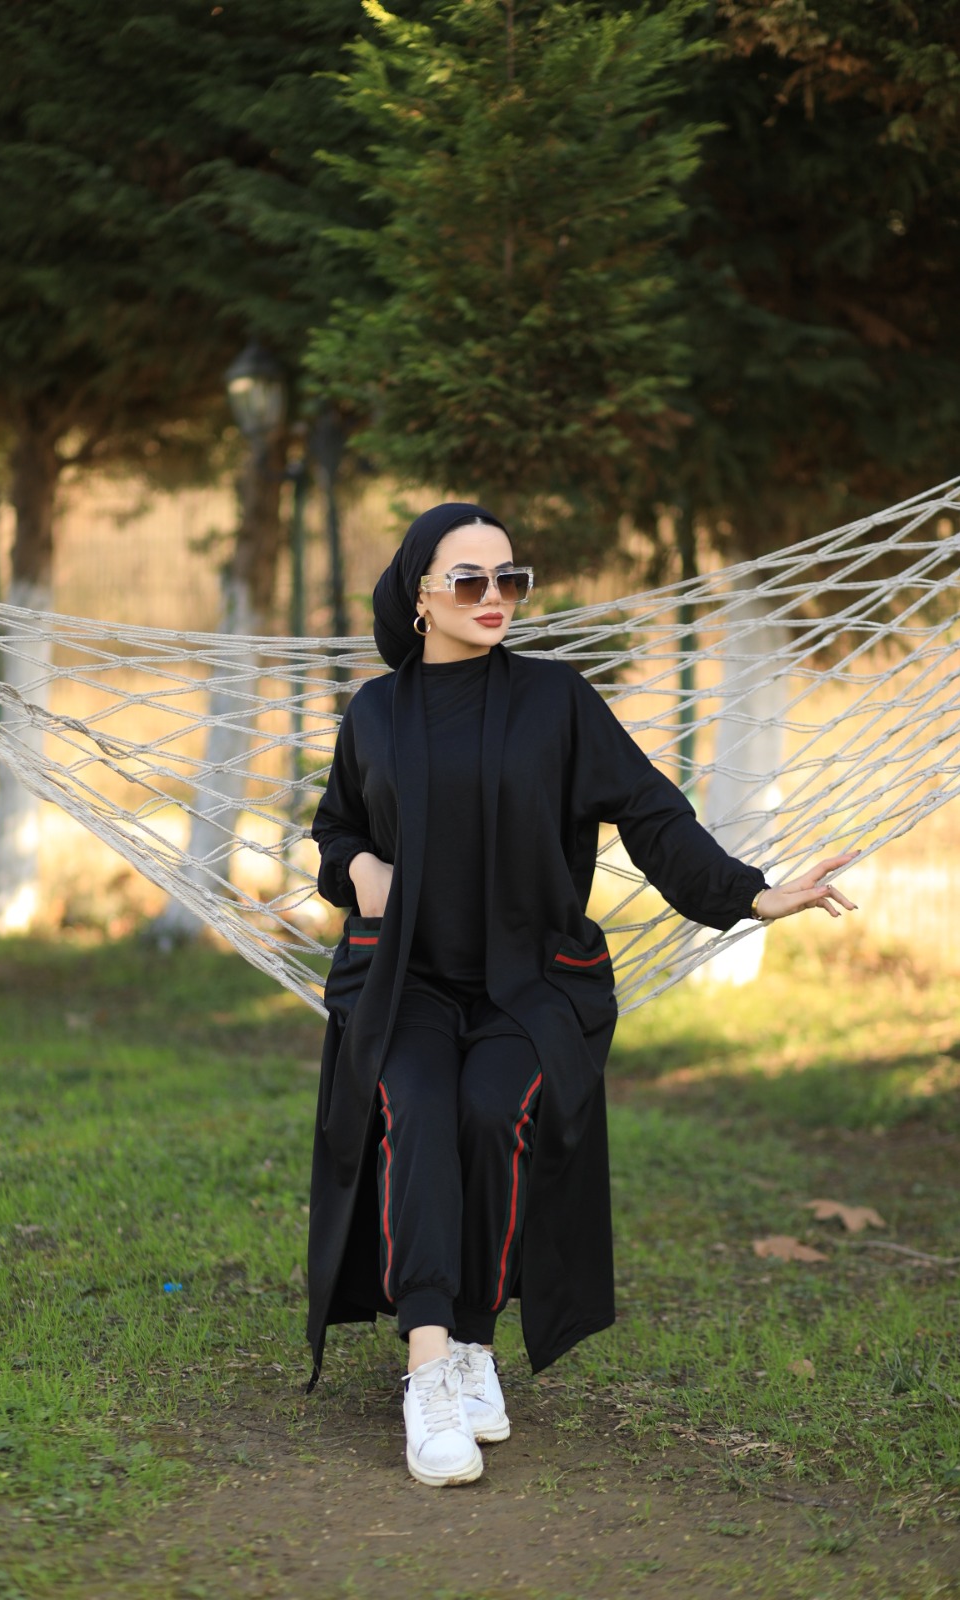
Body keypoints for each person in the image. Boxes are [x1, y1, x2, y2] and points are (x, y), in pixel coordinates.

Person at [309, 502, 856, 1488]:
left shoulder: (556, 701)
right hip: (404, 982)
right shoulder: (375, 713)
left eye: (510, 579)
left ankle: (472, 1340)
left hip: (528, 984)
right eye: (469, 580)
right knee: (419, 1110)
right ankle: (428, 1371)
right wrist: (358, 870)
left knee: (491, 1113)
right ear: (418, 596)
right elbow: (335, 829)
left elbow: (650, 813)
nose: (494, 597)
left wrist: (751, 893)